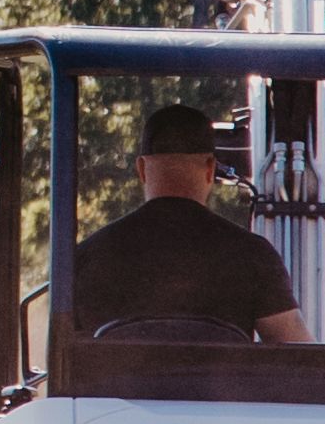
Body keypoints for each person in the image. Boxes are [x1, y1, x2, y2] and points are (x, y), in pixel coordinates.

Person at [69, 99, 308, 347]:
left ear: (141, 169)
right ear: (210, 169)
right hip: (222, 388)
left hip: (112, 388)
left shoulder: (87, 257)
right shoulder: (253, 255)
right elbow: (299, 354)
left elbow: (64, 362)